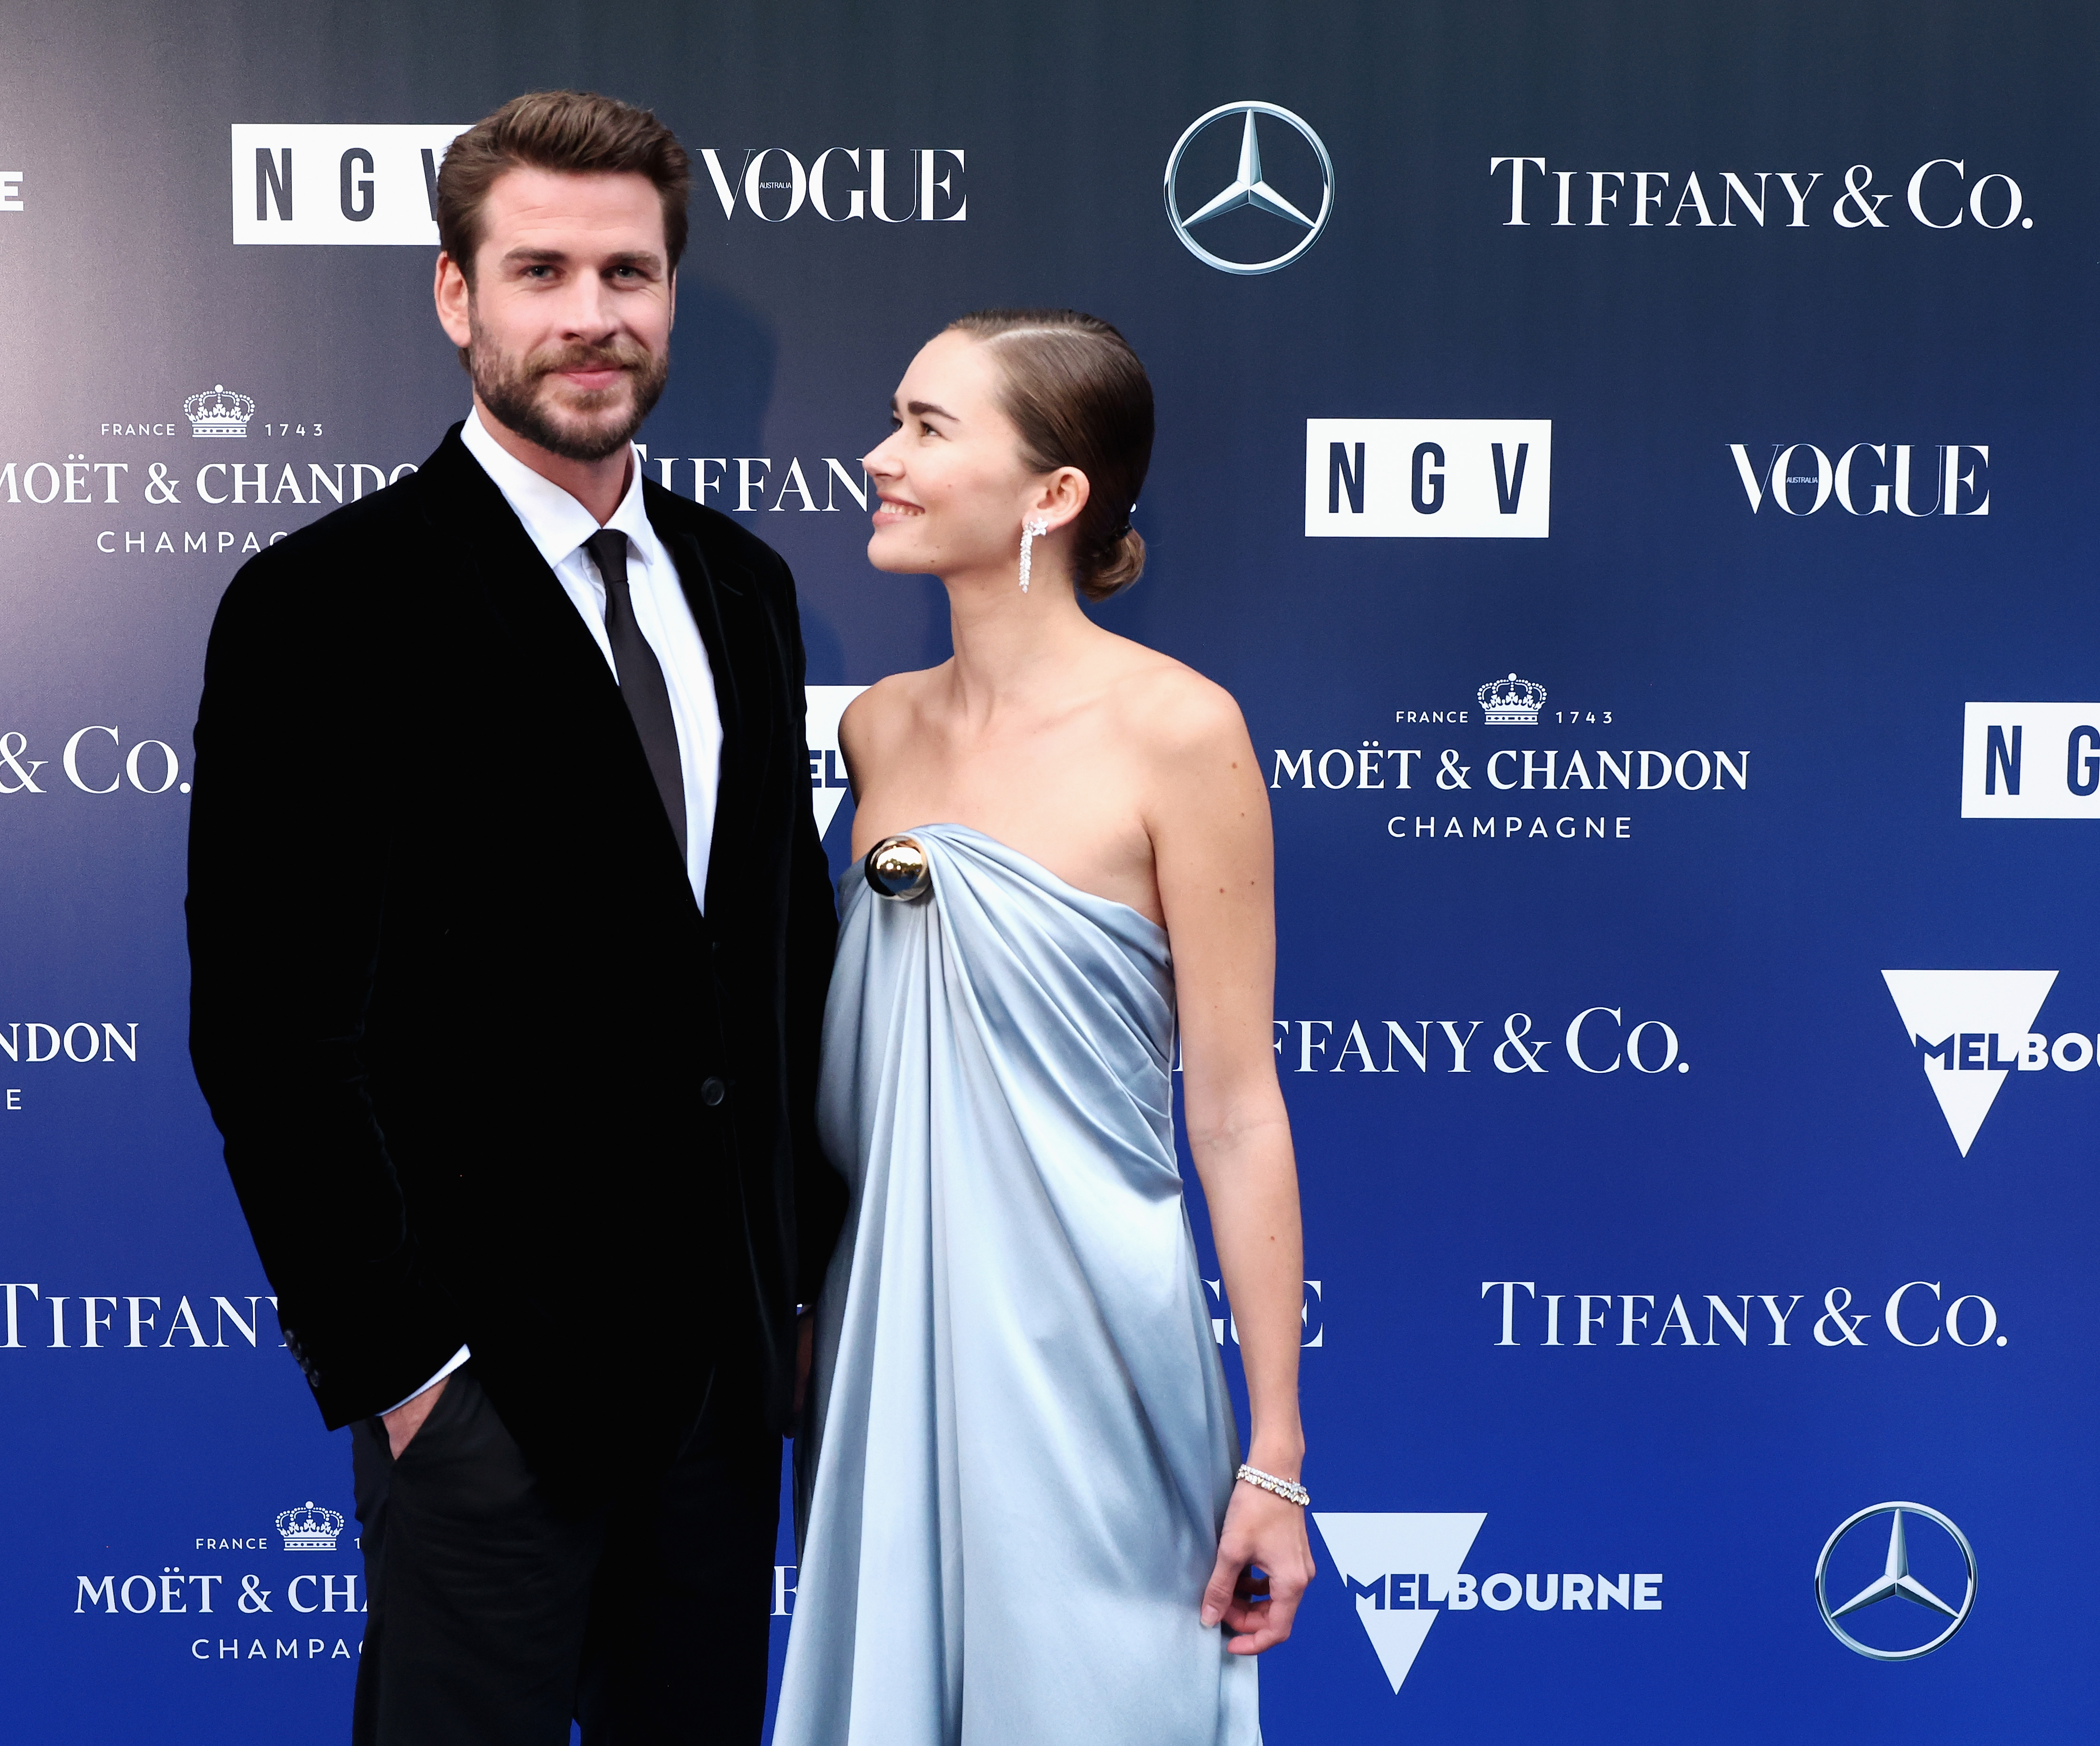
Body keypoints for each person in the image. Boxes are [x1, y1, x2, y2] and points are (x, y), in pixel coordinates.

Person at [184, 90, 843, 1746]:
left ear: (672, 295)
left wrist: (805, 1301)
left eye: (628, 272)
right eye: (539, 269)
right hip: (492, 1391)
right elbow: (269, 1032)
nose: (591, 316)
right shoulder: (325, 602)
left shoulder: (744, 587)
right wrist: (409, 1371)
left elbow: (780, 966)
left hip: (720, 1384)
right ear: (455, 296)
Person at [775, 310, 1312, 1746]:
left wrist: (1275, 1455)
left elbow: (1236, 1105)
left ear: (1054, 494)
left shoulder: (1177, 731)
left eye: (928, 429)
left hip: (1092, 1354)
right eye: (895, 417)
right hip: (884, 1348)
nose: (879, 458)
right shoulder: (873, 730)